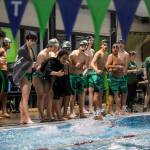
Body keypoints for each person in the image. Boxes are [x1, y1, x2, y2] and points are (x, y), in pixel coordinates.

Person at [33, 38, 59, 122]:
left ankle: (49, 115)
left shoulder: (52, 54)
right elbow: (37, 68)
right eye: (55, 47)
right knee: (41, 95)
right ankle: (42, 116)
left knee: (49, 95)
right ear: (50, 46)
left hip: (47, 77)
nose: (56, 49)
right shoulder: (42, 54)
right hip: (38, 76)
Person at [16, 32, 37, 124]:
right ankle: (27, 118)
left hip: (29, 75)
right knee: (25, 98)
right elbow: (19, 64)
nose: (33, 42)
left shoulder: (30, 49)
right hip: (23, 75)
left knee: (23, 98)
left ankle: (22, 118)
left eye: (34, 41)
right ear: (27, 39)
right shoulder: (22, 50)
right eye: (31, 40)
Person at [44, 50, 69, 120]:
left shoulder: (61, 65)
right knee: (45, 97)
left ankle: (52, 115)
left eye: (67, 59)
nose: (65, 60)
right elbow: (47, 71)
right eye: (64, 58)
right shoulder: (52, 61)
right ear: (58, 57)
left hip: (50, 79)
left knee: (55, 97)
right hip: (40, 77)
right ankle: (47, 116)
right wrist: (56, 73)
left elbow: (61, 78)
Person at [106, 43, 128, 115]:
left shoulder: (121, 56)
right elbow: (107, 66)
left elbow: (124, 65)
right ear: (112, 49)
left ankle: (123, 110)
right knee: (115, 94)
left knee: (124, 93)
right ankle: (117, 110)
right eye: (114, 47)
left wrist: (123, 70)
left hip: (121, 78)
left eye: (117, 47)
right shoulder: (111, 56)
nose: (115, 49)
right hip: (113, 78)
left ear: (119, 49)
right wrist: (116, 67)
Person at [69, 40, 89, 118]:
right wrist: (75, 65)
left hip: (80, 76)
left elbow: (86, 67)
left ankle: (81, 112)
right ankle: (71, 112)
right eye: (82, 46)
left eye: (85, 46)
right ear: (80, 46)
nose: (84, 47)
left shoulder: (86, 56)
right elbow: (69, 65)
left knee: (81, 95)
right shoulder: (73, 54)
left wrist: (83, 73)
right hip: (73, 76)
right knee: (73, 94)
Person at [90, 39, 108, 120]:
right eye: (104, 44)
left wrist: (106, 69)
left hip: (102, 76)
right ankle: (96, 113)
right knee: (97, 94)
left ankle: (99, 111)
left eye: (107, 44)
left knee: (100, 94)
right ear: (101, 45)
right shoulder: (98, 53)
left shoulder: (106, 53)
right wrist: (97, 70)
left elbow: (104, 65)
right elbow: (92, 63)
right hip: (96, 75)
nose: (106, 46)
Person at [0, 37, 11, 118]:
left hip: (5, 72)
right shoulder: (2, 50)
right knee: (1, 92)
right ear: (6, 43)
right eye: (10, 43)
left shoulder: (4, 51)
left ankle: (4, 111)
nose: (10, 45)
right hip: (1, 72)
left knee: (5, 93)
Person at [83, 36, 95, 113]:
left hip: (91, 71)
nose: (91, 41)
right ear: (87, 41)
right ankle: (83, 107)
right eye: (90, 40)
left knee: (91, 90)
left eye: (92, 40)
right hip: (84, 71)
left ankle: (91, 107)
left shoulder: (92, 51)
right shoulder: (83, 50)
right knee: (84, 90)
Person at [117, 39, 129, 114]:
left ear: (124, 45)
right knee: (117, 93)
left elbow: (126, 66)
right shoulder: (115, 53)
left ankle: (123, 108)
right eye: (119, 43)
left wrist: (123, 75)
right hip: (115, 76)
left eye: (122, 43)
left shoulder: (126, 54)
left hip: (123, 76)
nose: (120, 45)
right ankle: (118, 109)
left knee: (124, 93)